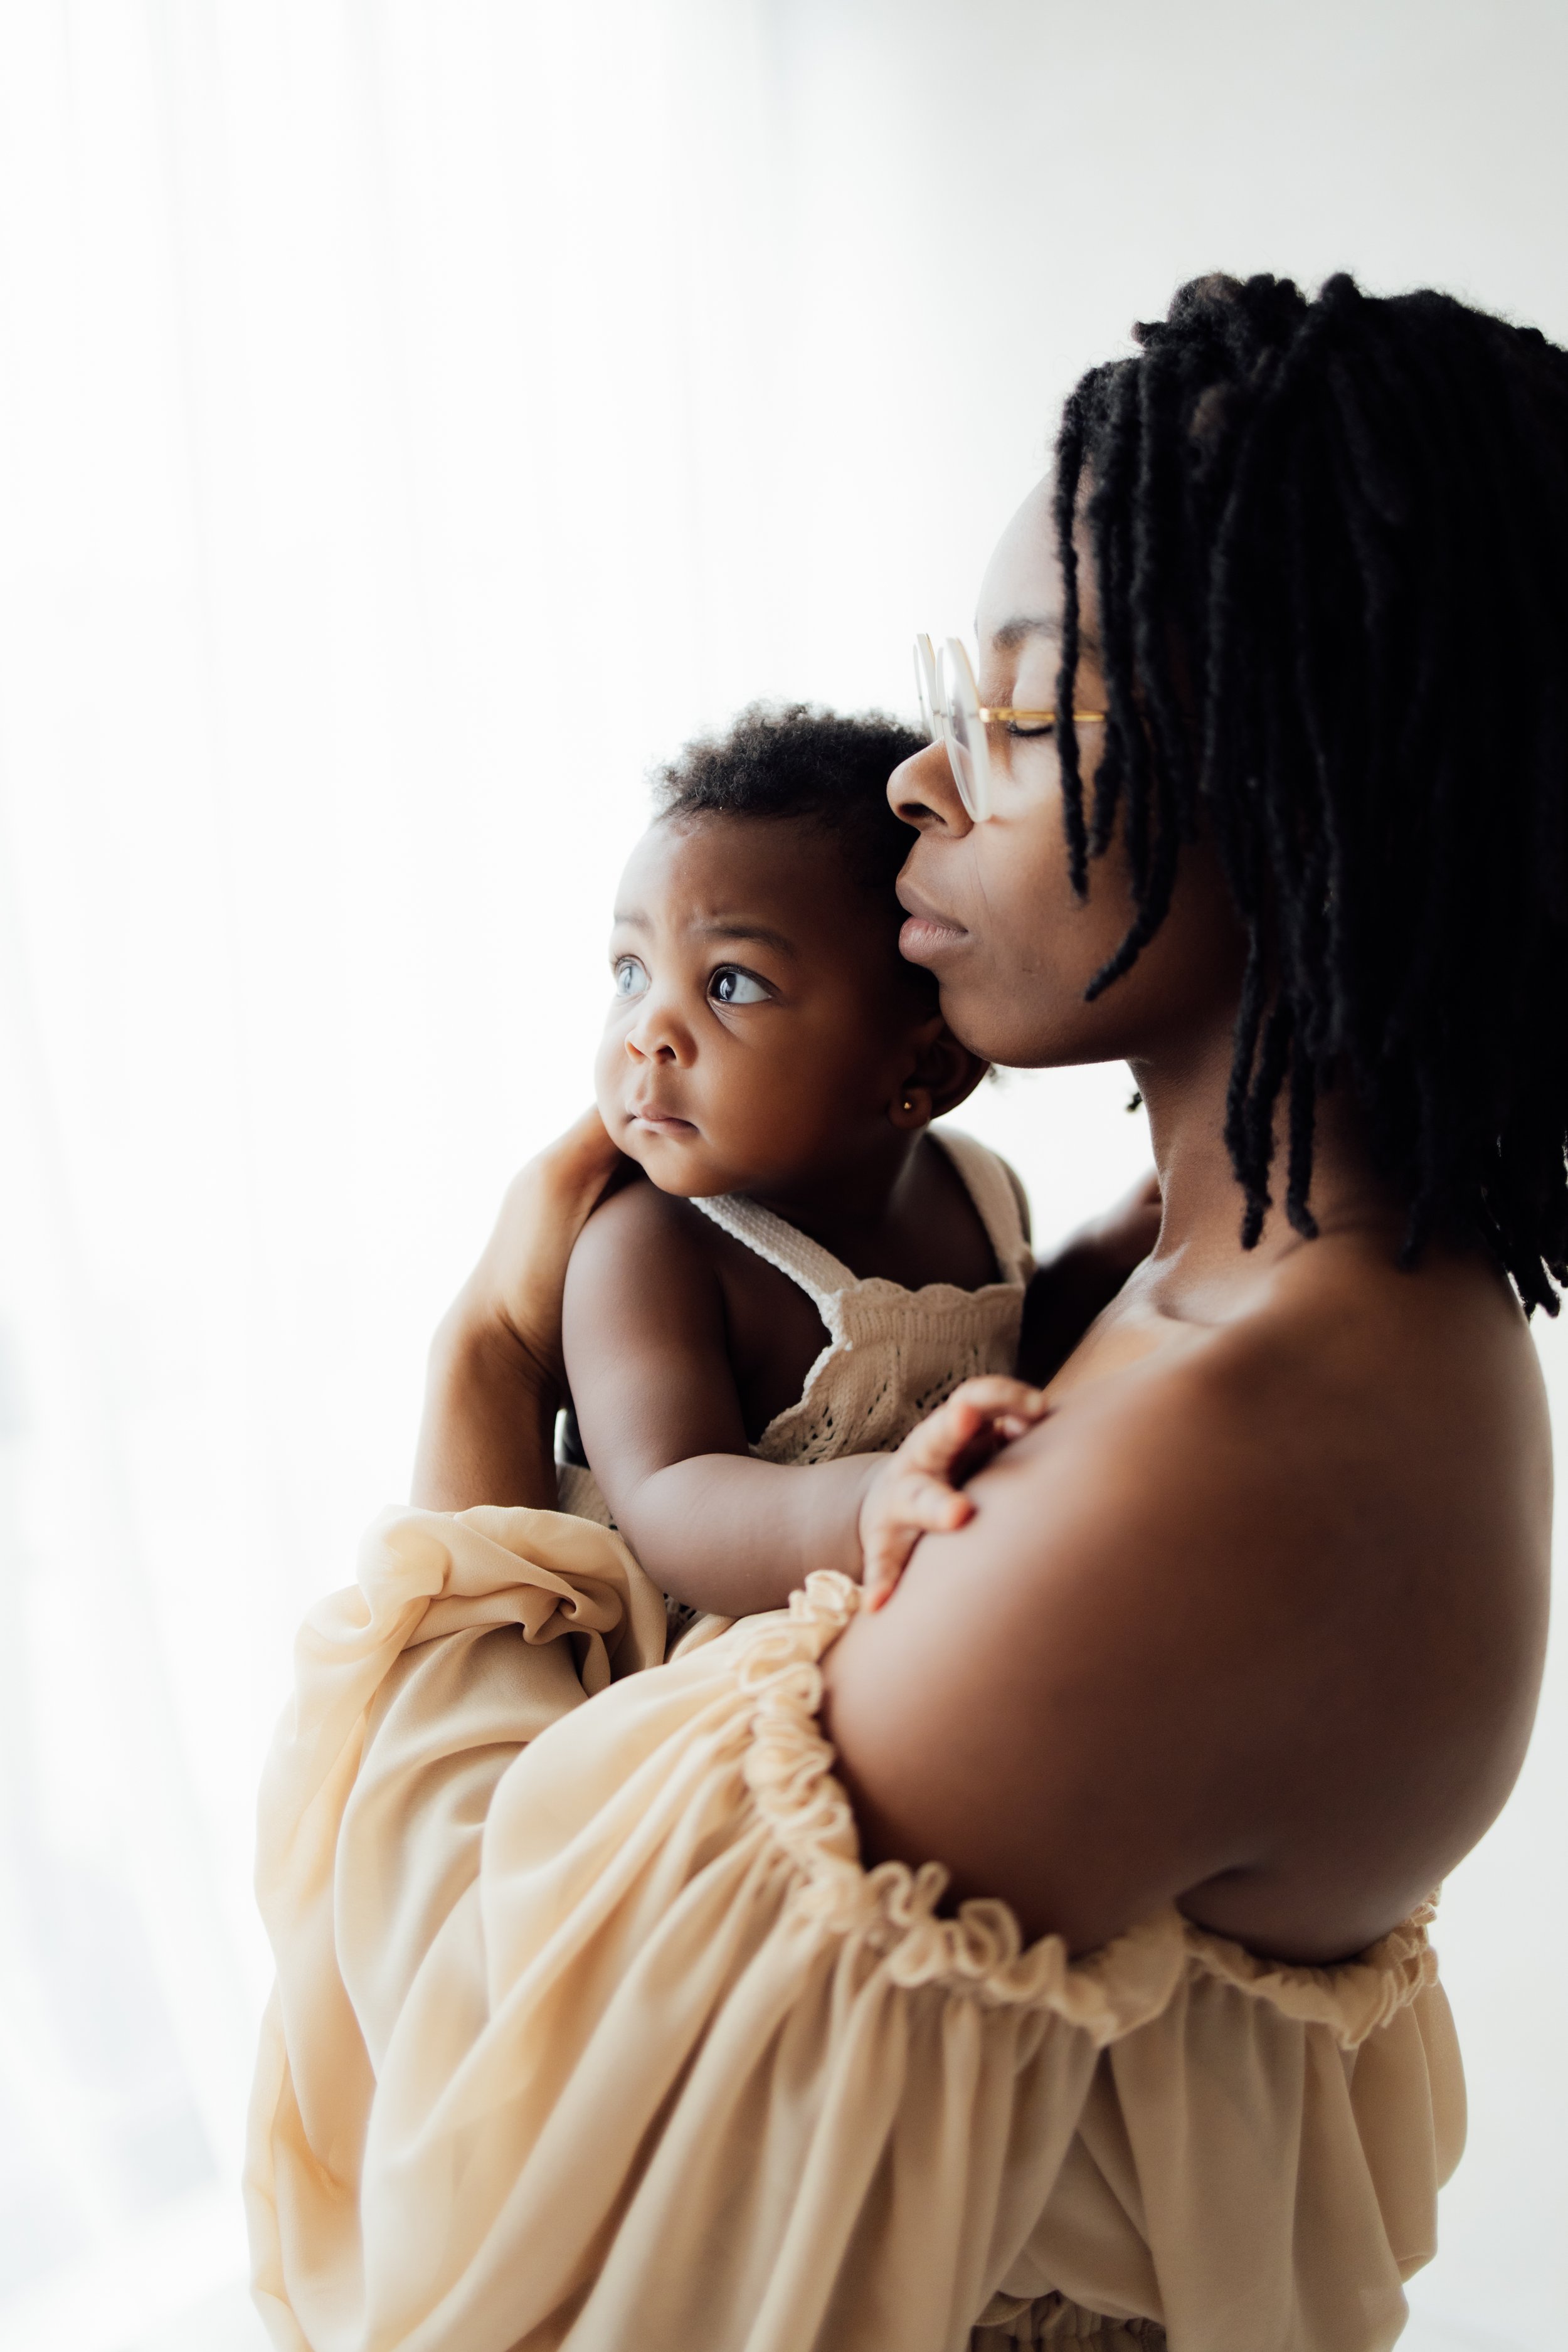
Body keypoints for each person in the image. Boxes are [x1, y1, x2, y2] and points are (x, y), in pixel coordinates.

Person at [246, 274, 1560, 2352]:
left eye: (1029, 723)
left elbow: (515, 2136)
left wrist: (486, 1371)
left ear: (1311, 789)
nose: (918, 793)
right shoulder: (1295, 1300)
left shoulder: (1194, 1473)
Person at [561, 701, 1123, 1628]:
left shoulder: (977, 1189)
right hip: (694, 1660)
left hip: (896, 1613)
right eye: (630, 972)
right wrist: (868, 1502)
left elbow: (1000, 1362)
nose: (646, 1033)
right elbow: (670, 1497)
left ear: (922, 1070)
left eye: (728, 981)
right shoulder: (649, 1248)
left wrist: (1097, 1266)